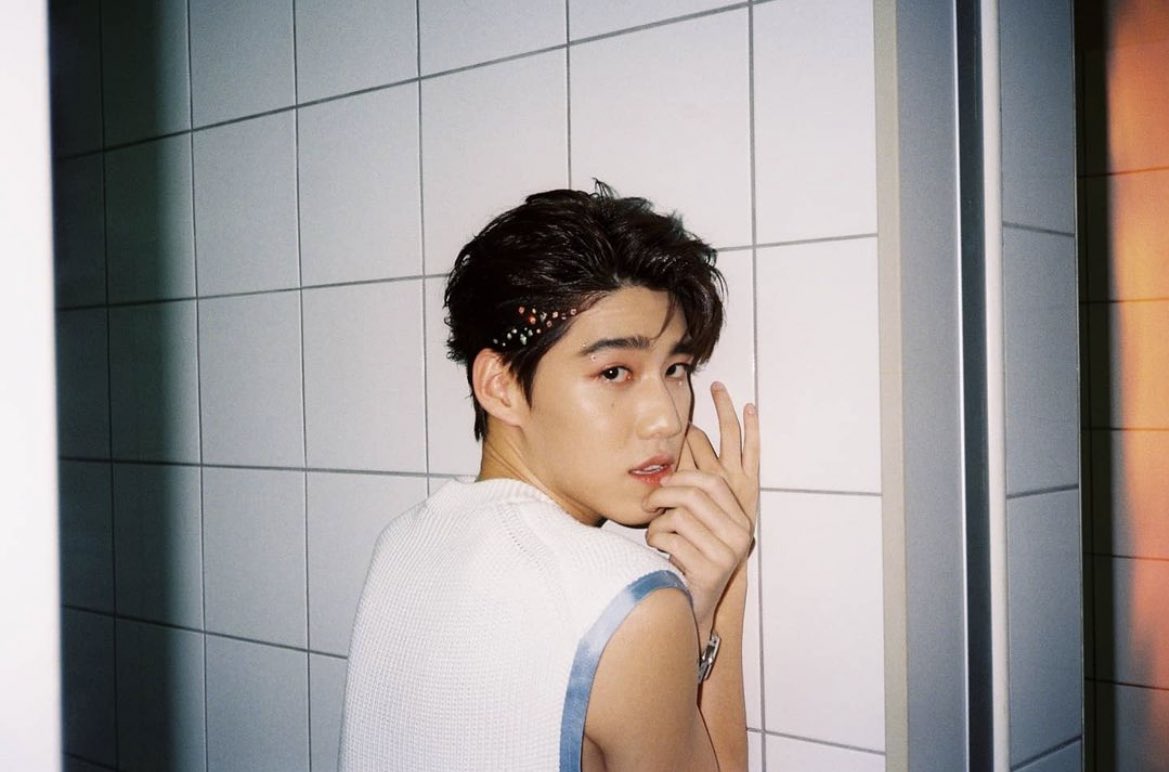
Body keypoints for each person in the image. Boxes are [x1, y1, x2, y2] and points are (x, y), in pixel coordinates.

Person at [339, 184, 759, 771]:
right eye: (614, 372)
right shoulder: (630, 600)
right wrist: (726, 589)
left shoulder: (404, 541)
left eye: (676, 368)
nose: (666, 418)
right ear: (502, 386)